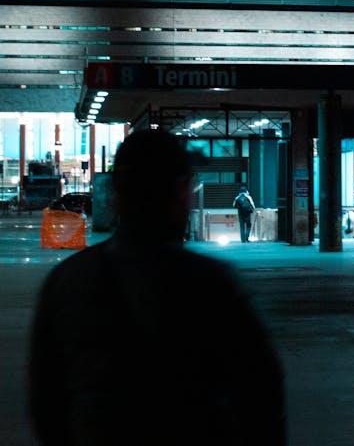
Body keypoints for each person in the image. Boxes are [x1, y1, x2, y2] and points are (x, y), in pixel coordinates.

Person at [28, 129, 286, 446]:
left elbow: (46, 403)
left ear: (115, 196)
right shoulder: (212, 287)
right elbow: (261, 401)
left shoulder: (67, 282)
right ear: (180, 191)